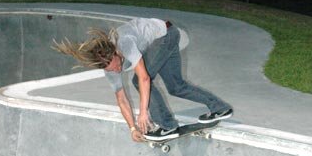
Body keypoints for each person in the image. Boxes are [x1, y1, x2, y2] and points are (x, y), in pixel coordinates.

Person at [52, 17, 233, 143]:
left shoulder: (125, 43)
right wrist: (132, 128)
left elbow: (145, 78)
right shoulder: (108, 66)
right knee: (176, 86)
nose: (116, 70)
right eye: (111, 70)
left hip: (166, 36)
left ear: (116, 53)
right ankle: (220, 108)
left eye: (115, 66)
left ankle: (167, 125)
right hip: (164, 38)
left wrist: (143, 113)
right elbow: (121, 99)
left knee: (138, 81)